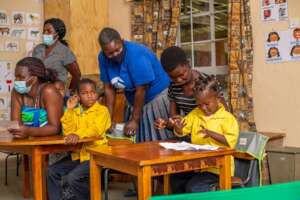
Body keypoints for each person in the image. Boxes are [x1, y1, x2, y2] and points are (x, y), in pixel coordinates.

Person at [98, 27, 172, 142]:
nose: (115, 55)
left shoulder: (136, 54)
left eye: (117, 50)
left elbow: (142, 89)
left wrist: (135, 119)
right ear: (103, 51)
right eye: (110, 53)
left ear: (122, 41)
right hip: (133, 99)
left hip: (155, 97)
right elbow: (109, 89)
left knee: (157, 143)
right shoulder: (102, 58)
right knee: (136, 142)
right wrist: (108, 119)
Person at [167, 76, 239, 193]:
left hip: (218, 169)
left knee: (194, 187)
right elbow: (183, 131)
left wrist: (211, 134)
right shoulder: (195, 114)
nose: (203, 108)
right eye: (199, 105)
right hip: (197, 166)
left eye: (206, 104)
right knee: (176, 179)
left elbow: (230, 141)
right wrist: (178, 128)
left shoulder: (227, 118)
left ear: (218, 99)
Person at [47, 78, 111, 200]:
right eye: (84, 93)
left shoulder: (102, 111)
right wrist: (70, 109)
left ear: (97, 94)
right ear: (77, 96)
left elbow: (95, 130)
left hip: (96, 155)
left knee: (73, 178)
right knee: (51, 171)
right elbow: (68, 131)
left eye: (92, 92)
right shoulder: (75, 111)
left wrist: (77, 135)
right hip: (79, 155)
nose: (90, 96)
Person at [155, 46, 228, 130]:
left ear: (188, 63)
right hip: (190, 133)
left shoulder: (207, 83)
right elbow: (174, 118)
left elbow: (225, 114)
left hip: (213, 133)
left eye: (182, 74)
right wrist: (167, 123)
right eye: (173, 77)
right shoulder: (173, 87)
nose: (178, 80)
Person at [10, 57, 63, 138]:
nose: (17, 81)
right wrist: (17, 131)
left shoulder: (49, 91)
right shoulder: (16, 92)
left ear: (34, 78)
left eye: (21, 77)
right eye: (16, 77)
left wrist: (29, 131)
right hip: (27, 144)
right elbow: (16, 125)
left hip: (51, 144)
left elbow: (55, 128)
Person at [32, 18, 81, 92]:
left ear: (57, 34)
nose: (45, 34)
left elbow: (77, 75)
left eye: (48, 31)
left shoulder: (64, 51)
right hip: (39, 90)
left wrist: (69, 92)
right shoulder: (38, 49)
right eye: (44, 31)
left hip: (56, 91)